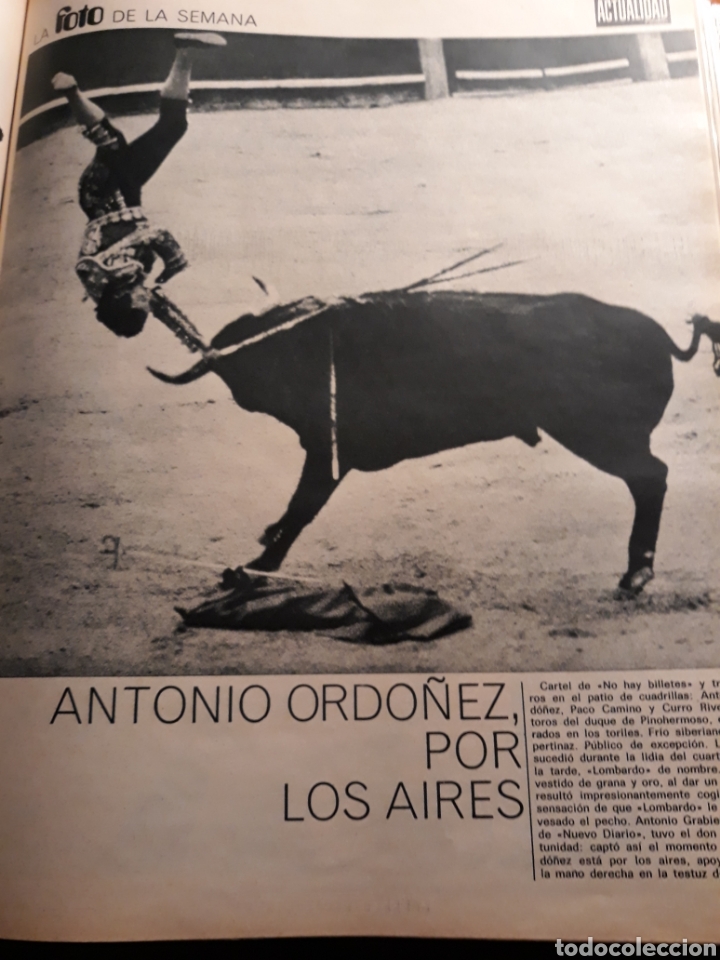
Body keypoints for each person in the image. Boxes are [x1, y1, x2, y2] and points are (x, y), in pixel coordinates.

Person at [52, 32, 226, 339]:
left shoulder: (97, 272)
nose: (146, 302)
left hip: (101, 194)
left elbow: (153, 234)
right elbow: (161, 305)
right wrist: (193, 338)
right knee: (174, 126)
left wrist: (173, 263)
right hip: (129, 191)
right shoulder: (123, 283)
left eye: (140, 305)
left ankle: (71, 92)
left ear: (122, 301)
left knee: (112, 144)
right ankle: (184, 52)